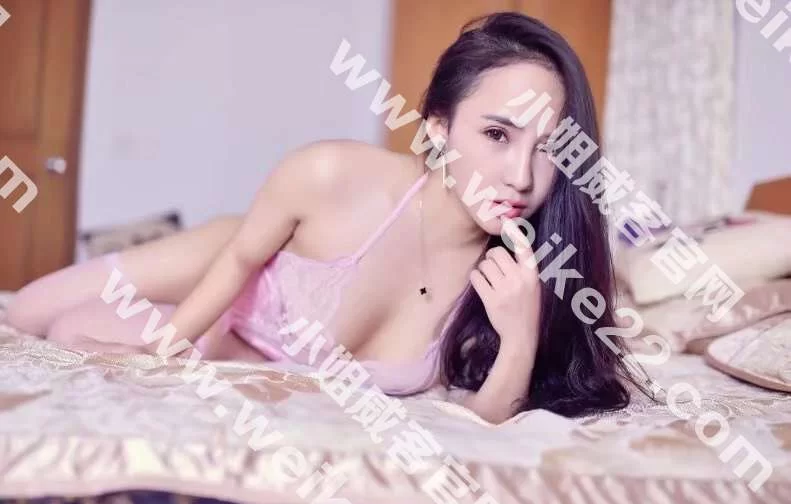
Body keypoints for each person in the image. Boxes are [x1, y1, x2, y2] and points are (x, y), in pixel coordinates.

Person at [6, 12, 642, 424]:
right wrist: (162, 352)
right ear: (438, 128)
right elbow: (241, 257)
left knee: (72, 332)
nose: (521, 176)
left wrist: (522, 336)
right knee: (31, 313)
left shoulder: (516, 280)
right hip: (231, 266)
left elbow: (481, 424)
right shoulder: (332, 174)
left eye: (548, 149)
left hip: (234, 351)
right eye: (496, 135)